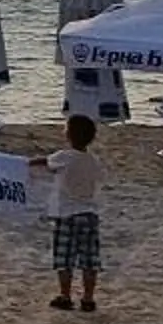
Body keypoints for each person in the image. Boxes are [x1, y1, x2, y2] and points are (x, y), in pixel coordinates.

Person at [31, 113, 105, 311]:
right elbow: (98, 178)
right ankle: (88, 298)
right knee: (90, 259)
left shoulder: (64, 156)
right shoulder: (93, 160)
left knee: (65, 258)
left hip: (66, 214)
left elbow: (45, 162)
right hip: (89, 214)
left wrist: (22, 163)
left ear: (69, 135)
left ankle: (65, 295)